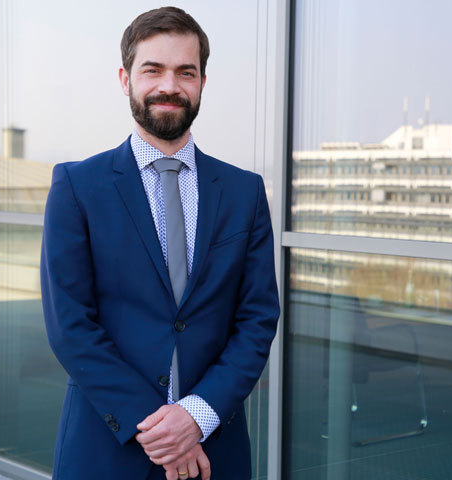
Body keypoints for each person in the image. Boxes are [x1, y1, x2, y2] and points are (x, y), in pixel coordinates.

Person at [40, 6, 279, 480]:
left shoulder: (244, 192)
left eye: (185, 72)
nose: (169, 85)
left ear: (202, 83)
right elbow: (71, 326)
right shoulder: (76, 186)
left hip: (215, 450)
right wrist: (161, 429)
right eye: (153, 69)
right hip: (108, 446)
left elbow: (257, 319)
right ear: (126, 78)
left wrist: (196, 416)